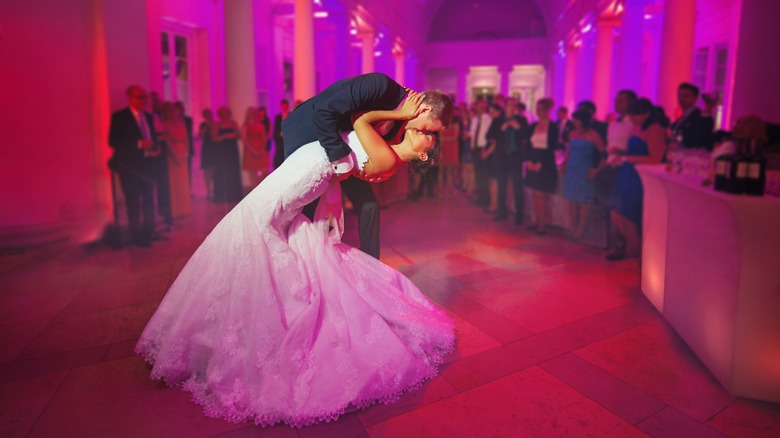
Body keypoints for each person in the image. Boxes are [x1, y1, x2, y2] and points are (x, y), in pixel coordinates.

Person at [135, 91, 455, 428]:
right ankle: (219, 324)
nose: (426, 133)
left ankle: (236, 329)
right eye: (427, 130)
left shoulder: (390, 160)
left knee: (254, 222)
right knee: (255, 223)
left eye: (430, 137)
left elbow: (360, 121)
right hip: (312, 163)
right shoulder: (390, 148)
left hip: (313, 168)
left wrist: (399, 114)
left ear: (423, 154)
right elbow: (355, 139)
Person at [281, 72, 453, 259]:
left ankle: (371, 264)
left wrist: (374, 170)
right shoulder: (380, 86)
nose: (422, 132)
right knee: (306, 206)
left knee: (369, 205)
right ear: (425, 110)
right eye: (428, 129)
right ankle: (297, 259)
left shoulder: (403, 124)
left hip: (344, 152)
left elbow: (379, 148)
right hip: (308, 134)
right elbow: (325, 113)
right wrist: (342, 161)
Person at [606, 98, 665, 260]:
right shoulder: (638, 127)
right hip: (627, 171)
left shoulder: (654, 129)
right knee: (615, 211)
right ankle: (631, 247)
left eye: (635, 115)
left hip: (638, 174)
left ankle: (635, 251)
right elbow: (633, 149)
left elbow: (655, 158)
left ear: (646, 113)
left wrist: (626, 159)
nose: (631, 119)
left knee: (628, 213)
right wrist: (621, 151)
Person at [108, 85, 160, 247]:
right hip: (129, 167)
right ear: (130, 97)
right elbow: (113, 141)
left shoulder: (148, 117)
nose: (143, 100)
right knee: (133, 202)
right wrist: (138, 144)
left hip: (147, 165)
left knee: (149, 200)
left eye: (144, 97)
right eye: (140, 97)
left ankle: (149, 231)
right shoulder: (120, 117)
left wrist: (154, 148)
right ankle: (137, 236)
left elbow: (152, 137)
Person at [562, 110, 605, 239]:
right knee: (571, 198)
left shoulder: (593, 135)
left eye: (577, 119)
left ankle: (581, 229)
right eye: (573, 119)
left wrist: (596, 169)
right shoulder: (572, 134)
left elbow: (604, 153)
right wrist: (564, 163)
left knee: (583, 200)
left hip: (585, 168)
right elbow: (569, 152)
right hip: (572, 168)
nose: (574, 122)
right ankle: (572, 227)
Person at [524, 98, 559, 234]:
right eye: (538, 108)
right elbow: (528, 144)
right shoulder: (533, 125)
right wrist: (528, 160)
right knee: (534, 193)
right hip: (533, 158)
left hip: (545, 161)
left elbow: (551, 147)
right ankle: (536, 220)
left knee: (541, 194)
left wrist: (541, 163)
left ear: (548, 110)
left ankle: (542, 224)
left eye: (542, 108)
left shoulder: (553, 126)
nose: (540, 111)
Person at [160, 101, 192, 218]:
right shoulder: (164, 124)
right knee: (174, 182)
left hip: (182, 153)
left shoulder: (181, 122)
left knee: (183, 182)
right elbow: (167, 142)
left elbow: (186, 139)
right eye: (169, 110)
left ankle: (184, 209)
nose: (172, 112)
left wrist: (185, 153)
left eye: (173, 110)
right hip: (172, 155)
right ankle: (175, 210)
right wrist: (175, 155)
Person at [211, 106, 243, 202]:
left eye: (227, 113)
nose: (226, 115)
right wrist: (225, 136)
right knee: (222, 171)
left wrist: (233, 135)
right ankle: (222, 196)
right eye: (223, 113)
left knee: (233, 171)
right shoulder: (217, 124)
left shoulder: (233, 123)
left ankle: (234, 195)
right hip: (222, 151)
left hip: (232, 151)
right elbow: (214, 139)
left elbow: (239, 136)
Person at [670, 82, 714, 150]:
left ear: (695, 98)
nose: (681, 99)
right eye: (679, 96)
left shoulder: (701, 117)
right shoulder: (678, 120)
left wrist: (708, 109)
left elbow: (703, 136)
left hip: (692, 156)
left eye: (686, 96)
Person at [241, 106, 270, 188]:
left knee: (263, 171)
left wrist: (262, 149)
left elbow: (264, 138)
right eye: (251, 113)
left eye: (254, 113)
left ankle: (261, 189)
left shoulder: (261, 125)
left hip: (260, 150)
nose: (253, 115)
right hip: (250, 151)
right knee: (252, 172)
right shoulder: (245, 126)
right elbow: (245, 140)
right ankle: (254, 191)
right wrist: (253, 151)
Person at [198, 108, 217, 200]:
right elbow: (200, 136)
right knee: (207, 170)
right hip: (206, 149)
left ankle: (214, 190)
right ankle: (208, 191)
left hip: (214, 148)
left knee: (214, 170)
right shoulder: (203, 125)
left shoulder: (216, 123)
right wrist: (206, 127)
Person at [272, 99, 290, 169]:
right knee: (279, 155)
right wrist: (279, 134)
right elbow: (275, 129)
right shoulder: (278, 117)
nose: (284, 107)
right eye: (283, 106)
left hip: (288, 140)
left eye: (285, 106)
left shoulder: (291, 115)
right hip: (280, 140)